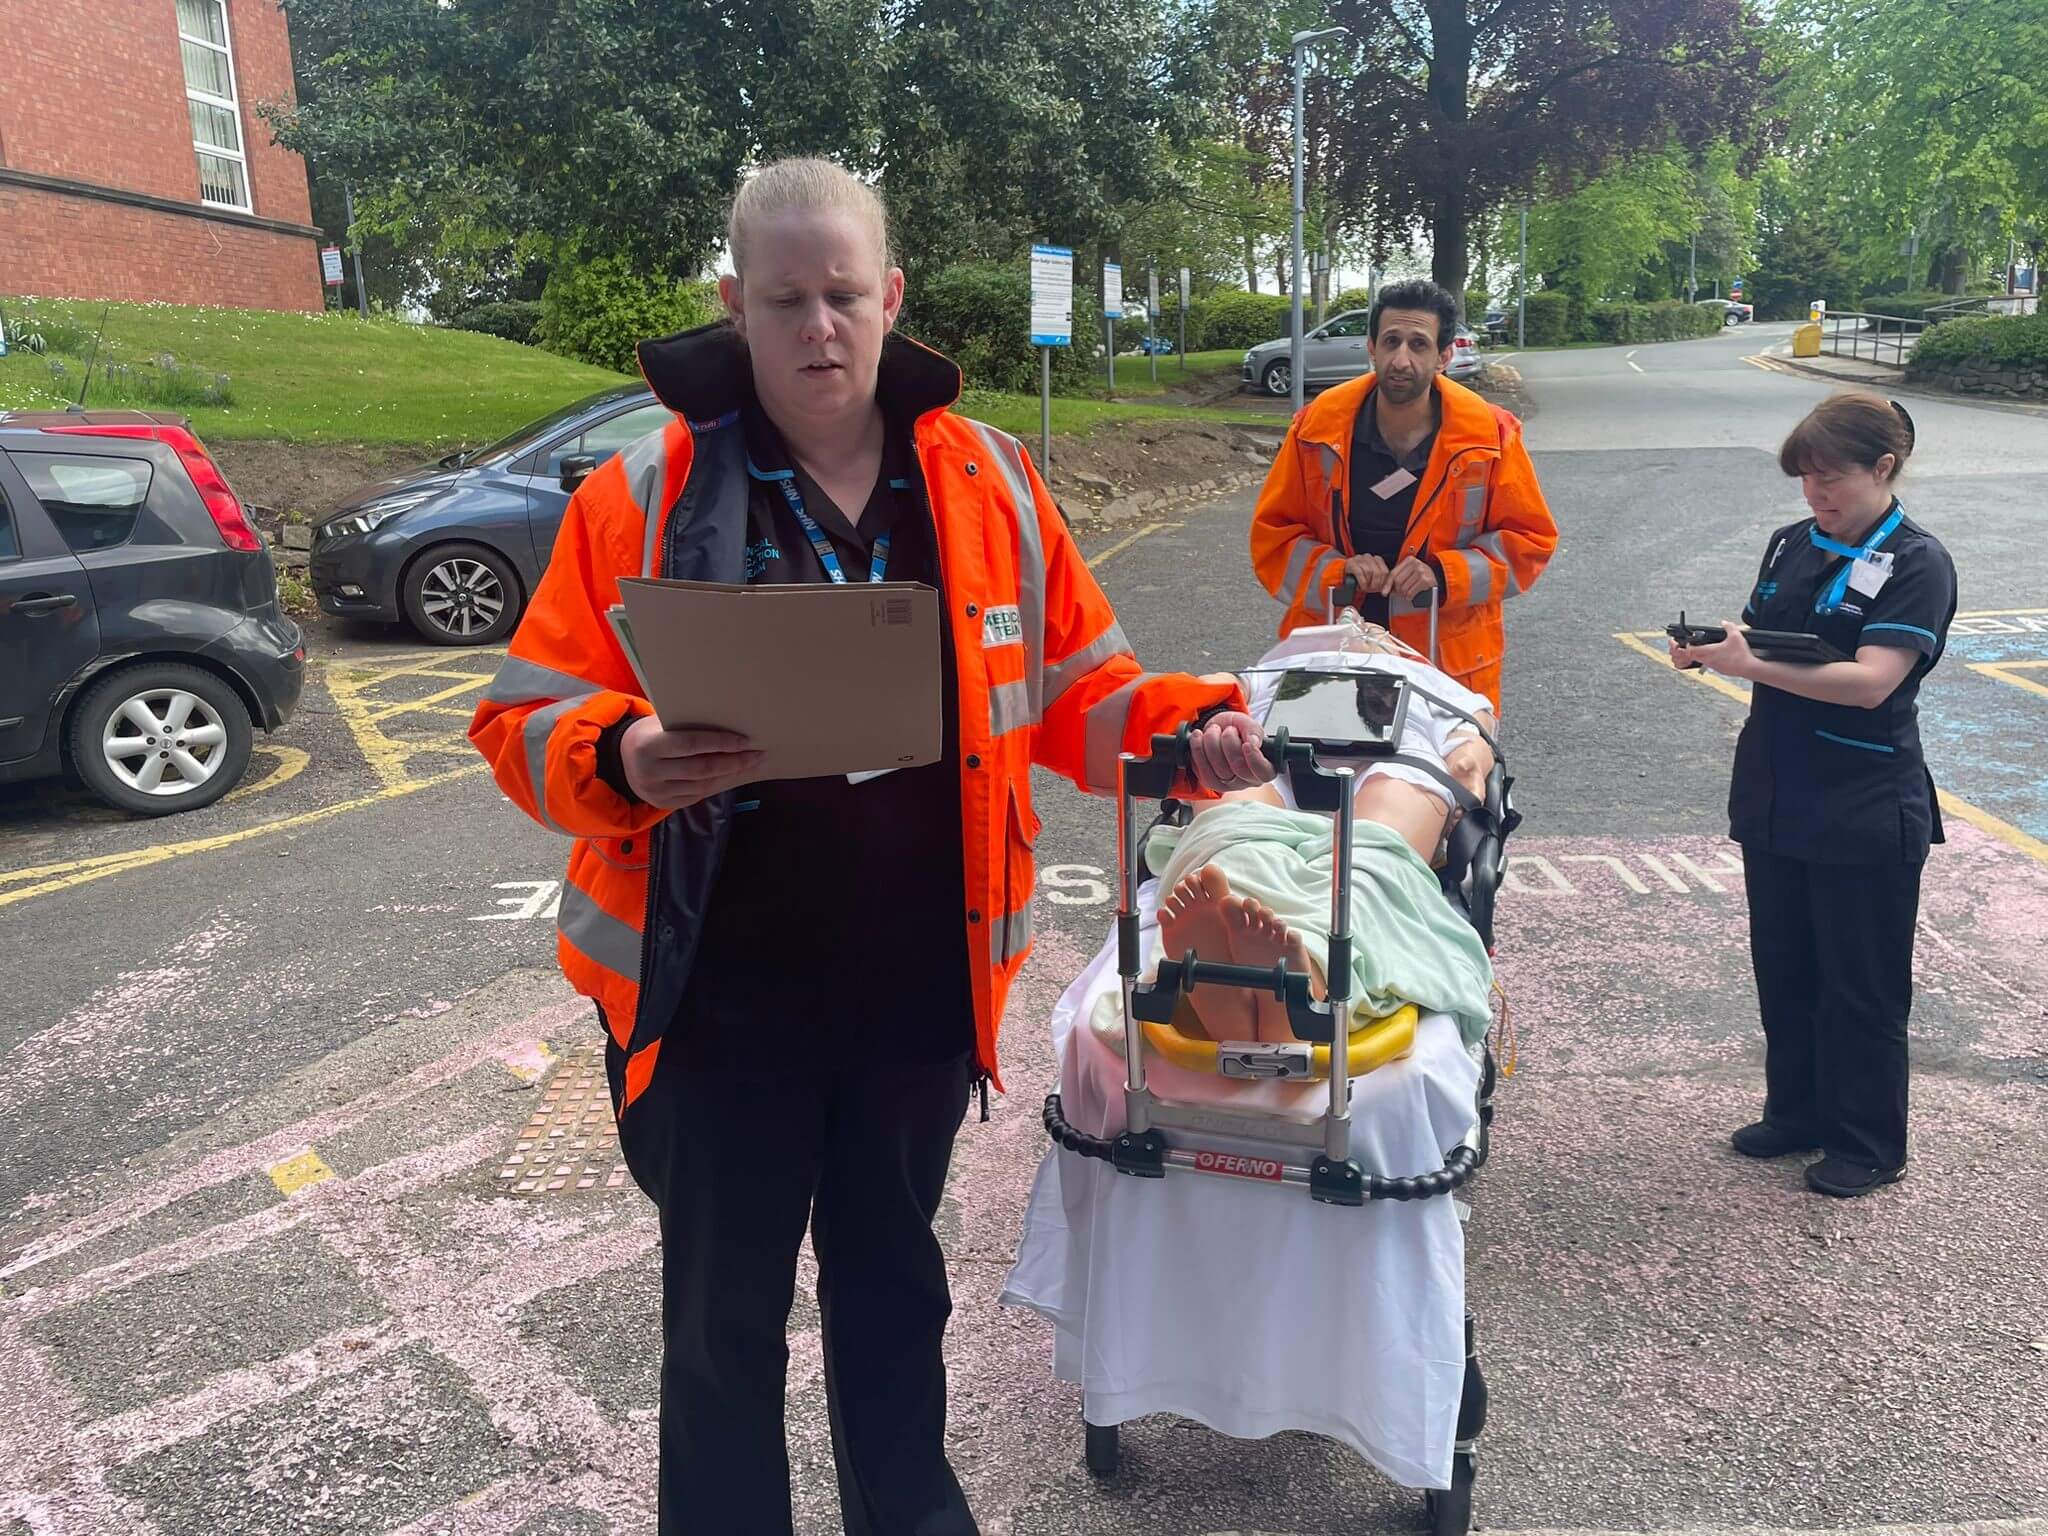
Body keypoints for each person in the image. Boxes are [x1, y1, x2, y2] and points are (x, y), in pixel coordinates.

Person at [467, 157, 1275, 1535]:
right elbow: (519, 717)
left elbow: (1081, 691)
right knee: (722, 1325)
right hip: (716, 999)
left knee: (895, 1290)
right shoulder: (642, 492)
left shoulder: (993, 482)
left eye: (845, 294)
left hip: (915, 983)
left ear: (891, 297)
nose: (820, 328)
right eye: (785, 299)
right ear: (735, 304)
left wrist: (1187, 728)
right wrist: (626, 755)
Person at [1670, 392, 1956, 1199]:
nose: (1815, 496)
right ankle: (1795, 1111)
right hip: (1777, 788)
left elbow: (1872, 681)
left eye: (1831, 480)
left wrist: (1747, 666)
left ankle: (1867, 1141)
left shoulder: (1917, 563)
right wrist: (1711, 647)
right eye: (1806, 480)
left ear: (1884, 469)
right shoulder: (1793, 544)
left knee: (1859, 982)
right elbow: (1761, 631)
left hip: (1864, 799)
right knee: (1785, 965)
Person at [1155, 618, 1501, 1048]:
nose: (1356, 626)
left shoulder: (1434, 682)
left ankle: (1234, 979)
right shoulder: (1271, 671)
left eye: (1373, 632)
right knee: (1367, 856)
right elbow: (1470, 760)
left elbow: (1474, 750)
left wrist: (1469, 764)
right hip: (1304, 751)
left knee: (1251, 831)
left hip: (1320, 751)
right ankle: (1300, 984)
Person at [1248, 277, 1559, 710]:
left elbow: (1529, 542)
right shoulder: (1316, 429)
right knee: (1320, 775)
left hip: (1444, 664)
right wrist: (1339, 572)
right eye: (1391, 341)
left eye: (1418, 344)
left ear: (1444, 356)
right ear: (1371, 347)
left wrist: (1443, 575)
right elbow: (1274, 538)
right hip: (1334, 654)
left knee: (1444, 776)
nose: (1401, 359)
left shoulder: (1491, 436)